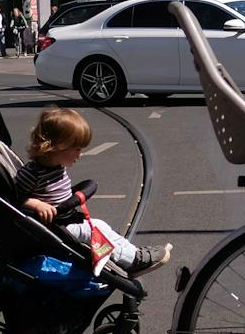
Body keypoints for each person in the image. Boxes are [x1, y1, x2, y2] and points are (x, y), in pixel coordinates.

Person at [16, 107, 169, 277]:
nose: (79, 155)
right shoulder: (32, 173)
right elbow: (13, 197)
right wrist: (36, 204)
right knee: (94, 229)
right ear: (56, 146)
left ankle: (131, 253)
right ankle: (132, 260)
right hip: (53, 227)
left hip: (65, 219)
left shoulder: (57, 166)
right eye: (76, 149)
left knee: (100, 225)